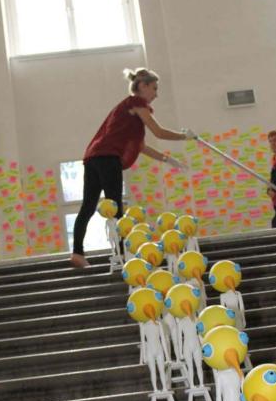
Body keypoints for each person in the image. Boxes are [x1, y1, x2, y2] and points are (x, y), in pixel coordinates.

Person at [70, 68, 191, 268]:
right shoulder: (136, 103)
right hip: (108, 158)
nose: (156, 94)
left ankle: (77, 253)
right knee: (116, 206)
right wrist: (183, 136)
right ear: (142, 86)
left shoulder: (127, 117)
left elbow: (141, 146)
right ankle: (124, 254)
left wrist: (168, 160)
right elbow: (159, 132)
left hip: (93, 157)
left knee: (89, 206)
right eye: (154, 88)